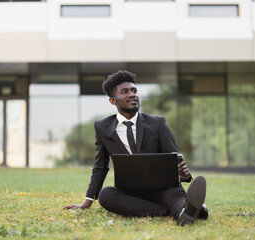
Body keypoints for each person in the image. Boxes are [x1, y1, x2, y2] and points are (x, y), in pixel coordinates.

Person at [64, 70, 208, 226]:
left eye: (134, 91)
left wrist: (183, 174)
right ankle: (186, 210)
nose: (132, 94)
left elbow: (174, 157)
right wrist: (88, 200)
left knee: (175, 195)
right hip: (129, 193)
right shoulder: (102, 127)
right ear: (113, 100)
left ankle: (182, 212)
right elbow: (100, 165)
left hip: (163, 189)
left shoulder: (157, 123)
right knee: (106, 195)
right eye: (124, 92)